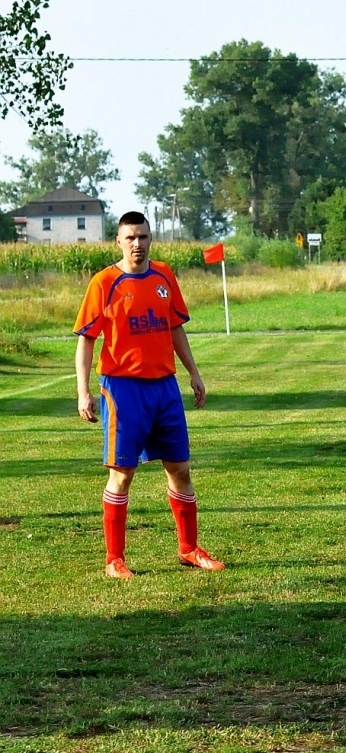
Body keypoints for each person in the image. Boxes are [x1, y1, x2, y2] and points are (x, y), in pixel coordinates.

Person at [74, 211, 224, 578]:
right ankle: (114, 559)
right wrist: (83, 392)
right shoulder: (104, 282)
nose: (136, 244)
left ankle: (188, 549)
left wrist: (194, 373)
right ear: (118, 241)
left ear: (150, 239)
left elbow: (175, 328)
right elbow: (86, 340)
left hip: (165, 388)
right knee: (122, 475)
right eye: (130, 238)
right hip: (122, 389)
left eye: (142, 237)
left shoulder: (164, 276)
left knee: (180, 469)